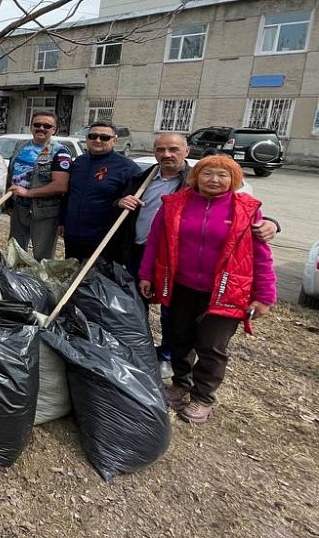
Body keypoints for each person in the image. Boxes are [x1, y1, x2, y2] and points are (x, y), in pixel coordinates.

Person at [117, 133, 278, 378]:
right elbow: (153, 237)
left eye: (173, 149)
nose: (166, 154)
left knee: (208, 341)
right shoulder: (146, 179)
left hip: (219, 284)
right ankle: (161, 362)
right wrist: (120, 201)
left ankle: (187, 378)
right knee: (162, 319)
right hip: (155, 260)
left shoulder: (212, 193)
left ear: (187, 151)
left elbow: (256, 238)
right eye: (161, 149)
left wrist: (271, 223)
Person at [138, 155, 276, 425]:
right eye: (208, 174)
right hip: (182, 286)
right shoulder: (175, 205)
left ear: (234, 180)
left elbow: (260, 255)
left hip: (227, 291)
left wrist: (264, 296)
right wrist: (146, 275)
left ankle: (203, 397)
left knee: (212, 346)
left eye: (222, 175)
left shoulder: (246, 210)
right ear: (196, 177)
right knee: (179, 338)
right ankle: (180, 384)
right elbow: (154, 242)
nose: (214, 180)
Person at [60, 121, 139, 261]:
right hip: (73, 236)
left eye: (104, 137)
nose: (97, 140)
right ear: (86, 138)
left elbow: (135, 204)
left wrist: (119, 202)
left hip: (104, 241)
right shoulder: (79, 162)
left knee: (97, 280)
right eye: (93, 136)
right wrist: (61, 221)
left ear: (114, 140)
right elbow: (68, 195)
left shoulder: (127, 168)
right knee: (71, 275)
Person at [6, 110, 72, 260]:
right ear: (31, 127)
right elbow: (12, 172)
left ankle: (39, 282)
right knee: (15, 252)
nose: (41, 128)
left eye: (47, 126)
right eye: (37, 124)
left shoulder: (60, 152)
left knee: (42, 256)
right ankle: (14, 280)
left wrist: (28, 193)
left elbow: (60, 185)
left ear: (54, 129)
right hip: (18, 208)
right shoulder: (21, 146)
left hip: (43, 212)